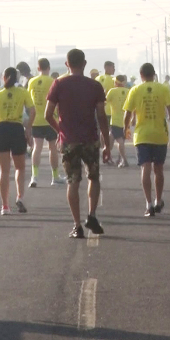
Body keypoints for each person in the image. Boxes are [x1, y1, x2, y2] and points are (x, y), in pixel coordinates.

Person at [45, 48, 110, 238]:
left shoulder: (59, 84)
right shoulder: (94, 86)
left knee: (73, 181)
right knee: (94, 177)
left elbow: (47, 115)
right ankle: (91, 214)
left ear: (67, 64)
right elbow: (101, 115)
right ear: (84, 64)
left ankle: (76, 225)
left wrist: (60, 131)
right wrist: (106, 142)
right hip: (90, 139)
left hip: (69, 141)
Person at [124, 63, 170, 217]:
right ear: (154, 74)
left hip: (142, 135)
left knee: (145, 168)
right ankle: (158, 200)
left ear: (141, 75)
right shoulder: (163, 89)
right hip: (159, 134)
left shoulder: (135, 90)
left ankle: (148, 204)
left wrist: (125, 129)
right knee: (158, 169)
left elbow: (127, 113)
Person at [0, 67, 35, 215]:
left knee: (4, 170)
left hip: (2, 130)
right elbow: (32, 111)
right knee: (20, 168)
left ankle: (5, 206)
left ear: (3, 77)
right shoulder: (23, 93)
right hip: (17, 129)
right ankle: (20, 196)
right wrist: (29, 128)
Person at [28, 58, 63, 187]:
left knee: (37, 147)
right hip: (50, 119)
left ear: (38, 68)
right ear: (49, 67)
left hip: (36, 119)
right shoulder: (53, 81)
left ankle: (34, 177)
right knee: (52, 147)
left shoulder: (31, 82)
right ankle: (55, 176)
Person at [105, 75, 130, 167]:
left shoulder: (112, 91)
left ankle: (124, 160)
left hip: (115, 120)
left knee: (119, 141)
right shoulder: (128, 92)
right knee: (113, 138)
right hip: (126, 120)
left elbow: (104, 102)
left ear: (116, 83)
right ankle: (112, 157)